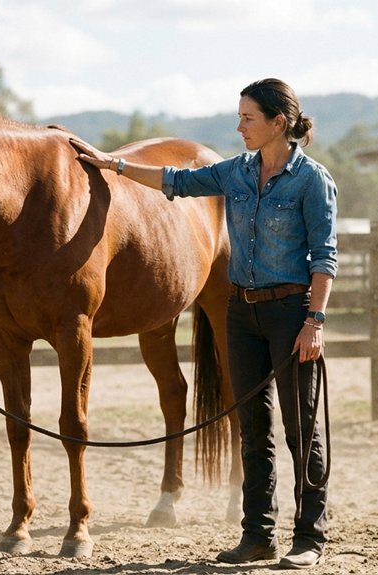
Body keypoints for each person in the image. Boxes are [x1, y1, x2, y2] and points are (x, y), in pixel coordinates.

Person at [72, 78, 336, 570]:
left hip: (290, 313)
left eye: (248, 118)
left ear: (279, 123)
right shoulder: (234, 173)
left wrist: (314, 321)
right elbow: (176, 181)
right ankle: (258, 535)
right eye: (239, 117)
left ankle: (309, 537)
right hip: (242, 312)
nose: (239, 127)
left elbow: (324, 257)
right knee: (253, 428)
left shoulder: (312, 181)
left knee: (303, 427)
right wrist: (115, 165)